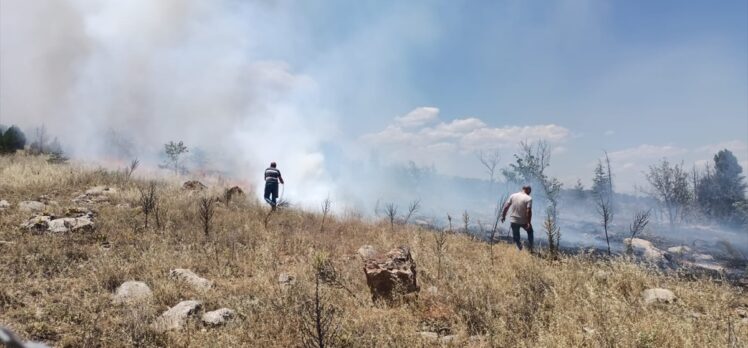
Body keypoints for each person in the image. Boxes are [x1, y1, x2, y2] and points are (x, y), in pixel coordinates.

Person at [501, 185, 534, 252]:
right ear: (527, 189)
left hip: (514, 220)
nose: (530, 192)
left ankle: (520, 248)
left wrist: (503, 216)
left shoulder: (513, 195)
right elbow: (528, 211)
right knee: (530, 232)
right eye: (529, 190)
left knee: (516, 237)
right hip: (523, 221)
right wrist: (528, 223)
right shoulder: (528, 198)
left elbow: (506, 207)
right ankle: (530, 247)